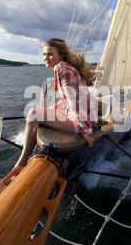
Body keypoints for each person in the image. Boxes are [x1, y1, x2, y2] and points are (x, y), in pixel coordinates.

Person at [13, 38, 96, 168]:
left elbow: (73, 101)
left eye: (50, 54)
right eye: (44, 54)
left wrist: (86, 129)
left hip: (79, 117)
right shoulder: (63, 66)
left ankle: (22, 161)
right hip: (79, 111)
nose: (46, 57)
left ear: (60, 55)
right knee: (38, 110)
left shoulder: (63, 69)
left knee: (33, 114)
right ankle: (34, 149)